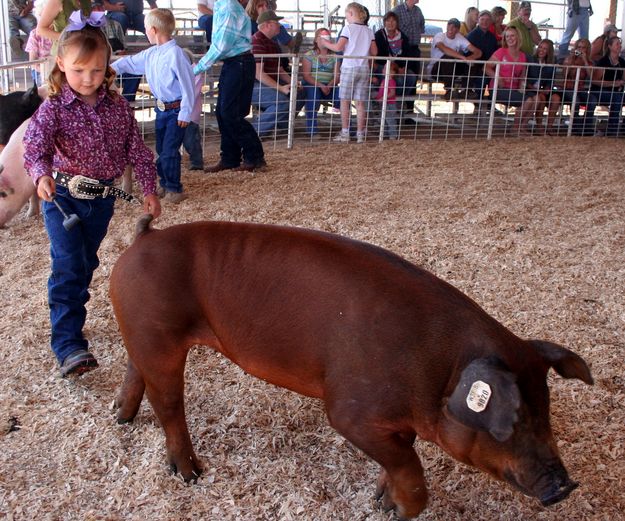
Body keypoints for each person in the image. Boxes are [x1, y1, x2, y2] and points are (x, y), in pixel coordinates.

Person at [22, 14, 160, 377]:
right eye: (79, 70)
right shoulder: (52, 107)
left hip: (100, 200)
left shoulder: (118, 108)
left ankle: (72, 314)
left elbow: (137, 149)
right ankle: (68, 343)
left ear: (107, 67)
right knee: (68, 263)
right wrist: (40, 174)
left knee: (85, 263)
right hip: (62, 196)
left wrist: (149, 187)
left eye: (96, 70)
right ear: (62, 65)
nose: (88, 79)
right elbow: (34, 145)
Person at [112, 8, 195, 202]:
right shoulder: (151, 54)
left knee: (169, 150)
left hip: (176, 110)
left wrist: (185, 111)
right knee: (162, 148)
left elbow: (188, 84)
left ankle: (175, 189)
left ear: (154, 30)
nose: (146, 31)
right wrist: (108, 70)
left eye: (146, 28)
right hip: (162, 109)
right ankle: (165, 184)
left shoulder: (176, 54)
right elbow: (128, 63)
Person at [194, 0, 266, 173]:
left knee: (229, 113)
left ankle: (254, 156)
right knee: (223, 112)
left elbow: (222, 44)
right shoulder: (224, 5)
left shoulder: (228, 6)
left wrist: (197, 68)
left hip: (238, 62)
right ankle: (230, 157)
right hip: (235, 62)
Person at [319, 2, 377, 144]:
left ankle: (345, 133)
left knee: (344, 100)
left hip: (349, 66)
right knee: (360, 103)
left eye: (347, 15)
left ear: (351, 13)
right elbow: (375, 52)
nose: (346, 18)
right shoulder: (369, 31)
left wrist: (325, 43)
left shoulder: (348, 29)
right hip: (364, 68)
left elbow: (339, 47)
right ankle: (360, 134)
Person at [251, 10, 304, 139]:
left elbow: (279, 70)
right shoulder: (257, 41)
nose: (279, 26)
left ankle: (282, 126)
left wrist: (292, 82)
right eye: (277, 23)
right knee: (281, 102)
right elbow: (258, 73)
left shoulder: (272, 43)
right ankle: (253, 134)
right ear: (268, 24)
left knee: (301, 93)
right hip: (252, 84)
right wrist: (280, 88)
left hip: (265, 81)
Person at [484, 26, 529, 131]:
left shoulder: (523, 56)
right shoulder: (501, 52)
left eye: (512, 35)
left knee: (535, 100)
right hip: (499, 88)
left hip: (514, 89)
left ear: (518, 37)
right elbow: (486, 67)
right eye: (507, 36)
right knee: (528, 100)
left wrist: (521, 90)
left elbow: (522, 76)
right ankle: (515, 128)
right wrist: (497, 77)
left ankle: (521, 126)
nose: (510, 38)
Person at [374, 11, 417, 114]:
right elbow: (377, 56)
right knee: (399, 81)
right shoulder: (379, 35)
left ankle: (397, 101)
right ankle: (391, 104)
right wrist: (391, 67)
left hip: (398, 67)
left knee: (411, 77)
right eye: (388, 20)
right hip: (383, 66)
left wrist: (403, 67)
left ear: (397, 22)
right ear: (384, 22)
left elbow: (407, 54)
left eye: (393, 20)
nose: (390, 23)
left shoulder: (403, 37)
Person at [427, 18, 482, 97]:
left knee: (472, 62)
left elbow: (478, 52)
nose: (451, 28)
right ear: (447, 26)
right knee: (448, 58)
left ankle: (466, 90)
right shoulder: (439, 36)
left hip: (452, 69)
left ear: (458, 29)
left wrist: (470, 58)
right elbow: (444, 49)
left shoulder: (459, 37)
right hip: (436, 70)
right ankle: (449, 90)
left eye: (455, 27)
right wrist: (463, 57)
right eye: (449, 25)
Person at [301, 28, 340, 137]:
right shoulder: (309, 55)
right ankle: (312, 131)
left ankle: (349, 130)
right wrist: (321, 85)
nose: (324, 39)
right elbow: (306, 75)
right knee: (312, 95)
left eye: (327, 37)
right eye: (321, 37)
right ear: (316, 40)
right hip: (313, 84)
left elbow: (337, 76)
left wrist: (330, 85)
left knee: (342, 96)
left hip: (330, 85)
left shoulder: (335, 56)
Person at [518, 39, 561, 134]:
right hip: (531, 89)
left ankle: (549, 126)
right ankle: (539, 125)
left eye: (545, 49)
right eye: (540, 47)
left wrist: (548, 88)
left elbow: (551, 79)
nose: (541, 50)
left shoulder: (551, 63)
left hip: (542, 89)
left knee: (556, 98)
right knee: (541, 97)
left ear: (549, 51)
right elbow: (525, 78)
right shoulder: (530, 59)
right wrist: (535, 89)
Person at [560, 38, 597, 135]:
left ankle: (586, 127)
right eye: (579, 47)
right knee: (576, 101)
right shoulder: (569, 59)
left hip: (580, 89)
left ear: (587, 49)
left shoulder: (589, 62)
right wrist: (571, 59)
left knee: (592, 100)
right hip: (568, 88)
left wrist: (585, 60)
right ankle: (575, 128)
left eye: (583, 48)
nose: (580, 50)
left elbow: (591, 76)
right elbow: (565, 74)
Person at [591, 35, 625, 136]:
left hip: (615, 92)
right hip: (599, 91)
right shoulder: (603, 61)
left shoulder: (622, 62)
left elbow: (623, 78)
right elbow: (595, 81)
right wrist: (613, 83)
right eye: (617, 44)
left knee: (618, 97)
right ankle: (612, 130)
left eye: (620, 44)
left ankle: (621, 127)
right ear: (610, 46)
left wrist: (621, 83)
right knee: (617, 97)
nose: (619, 46)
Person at [466, 10, 498, 94]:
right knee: (482, 79)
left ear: (491, 21)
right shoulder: (471, 36)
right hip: (474, 68)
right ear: (478, 20)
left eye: (487, 20)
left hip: (489, 66)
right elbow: (467, 54)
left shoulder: (492, 37)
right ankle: (478, 103)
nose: (485, 22)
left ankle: (490, 105)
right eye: (482, 19)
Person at [372, 61, 399, 139]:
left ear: (392, 72)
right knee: (385, 119)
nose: (383, 70)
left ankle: (393, 134)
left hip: (389, 104)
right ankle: (386, 133)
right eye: (384, 68)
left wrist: (383, 98)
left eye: (386, 69)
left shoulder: (391, 82)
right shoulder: (384, 80)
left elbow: (392, 93)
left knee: (390, 119)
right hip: (384, 102)